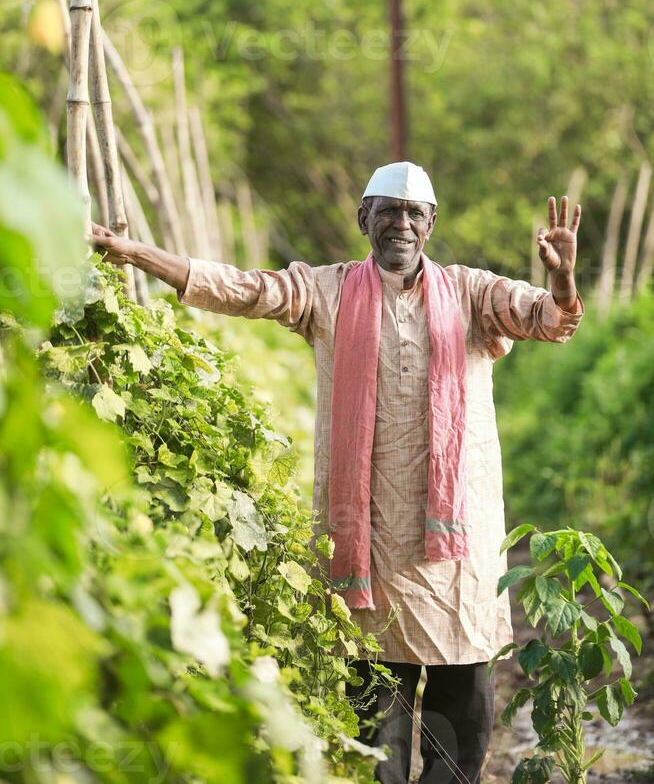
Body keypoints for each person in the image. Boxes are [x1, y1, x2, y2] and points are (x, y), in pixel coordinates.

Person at [92, 161, 584, 784]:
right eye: (387, 211)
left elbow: (545, 318)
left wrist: (564, 279)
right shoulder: (324, 290)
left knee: (461, 704)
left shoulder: (472, 292)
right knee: (374, 702)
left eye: (413, 214)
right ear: (363, 220)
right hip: (367, 538)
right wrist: (138, 254)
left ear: (431, 225)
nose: (400, 223)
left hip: (456, 540)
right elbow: (243, 288)